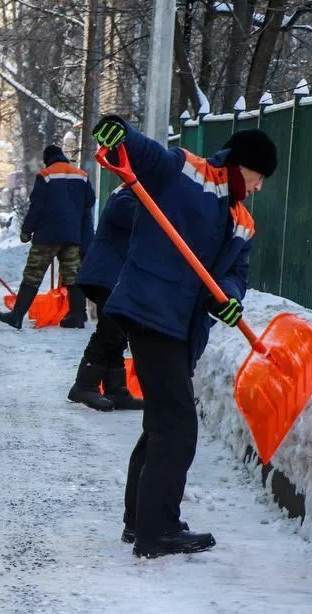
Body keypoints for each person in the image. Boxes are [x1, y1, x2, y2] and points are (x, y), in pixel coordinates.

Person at [89, 115, 276, 559]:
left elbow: (234, 275)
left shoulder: (243, 223)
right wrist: (118, 132)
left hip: (184, 326)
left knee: (161, 422)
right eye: (259, 177)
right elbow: (144, 155)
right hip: (151, 310)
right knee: (176, 426)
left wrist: (228, 299)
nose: (259, 187)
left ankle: (141, 522)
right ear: (241, 164)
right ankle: (158, 529)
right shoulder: (186, 172)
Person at [0, 144, 95, 329]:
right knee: (73, 276)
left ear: (47, 158)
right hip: (72, 236)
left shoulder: (46, 175)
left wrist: (26, 230)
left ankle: (16, 316)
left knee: (33, 274)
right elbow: (90, 201)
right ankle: (77, 318)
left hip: (47, 236)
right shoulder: (81, 175)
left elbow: (36, 207)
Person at [65, 184, 143, 412]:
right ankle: (84, 384)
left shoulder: (135, 193)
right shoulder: (126, 195)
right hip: (105, 274)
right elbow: (125, 213)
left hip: (115, 275)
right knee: (109, 331)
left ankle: (116, 390)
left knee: (118, 333)